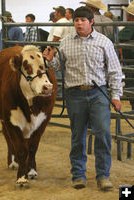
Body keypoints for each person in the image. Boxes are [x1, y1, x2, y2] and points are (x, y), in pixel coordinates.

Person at [43, 6, 123, 191]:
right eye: (76, 20)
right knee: (77, 135)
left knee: (102, 133)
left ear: (91, 22)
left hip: (99, 93)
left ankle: (103, 176)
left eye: (82, 20)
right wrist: (49, 60)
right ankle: (78, 174)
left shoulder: (104, 42)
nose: (79, 23)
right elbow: (59, 66)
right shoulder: (65, 42)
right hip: (75, 94)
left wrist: (116, 96)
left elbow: (114, 71)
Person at [118, 2, 134, 110]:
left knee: (132, 91)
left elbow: (112, 38)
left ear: (129, 16)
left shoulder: (129, 28)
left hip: (131, 65)